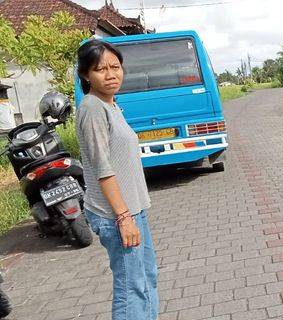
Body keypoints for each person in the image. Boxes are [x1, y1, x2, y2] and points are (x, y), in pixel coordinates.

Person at [76, 39, 159, 320]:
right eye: (101, 69)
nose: (111, 74)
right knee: (131, 288)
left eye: (116, 67)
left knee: (146, 279)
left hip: (133, 210)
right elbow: (102, 168)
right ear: (86, 75)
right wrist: (123, 217)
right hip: (116, 215)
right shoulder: (92, 108)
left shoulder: (111, 105)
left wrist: (131, 213)